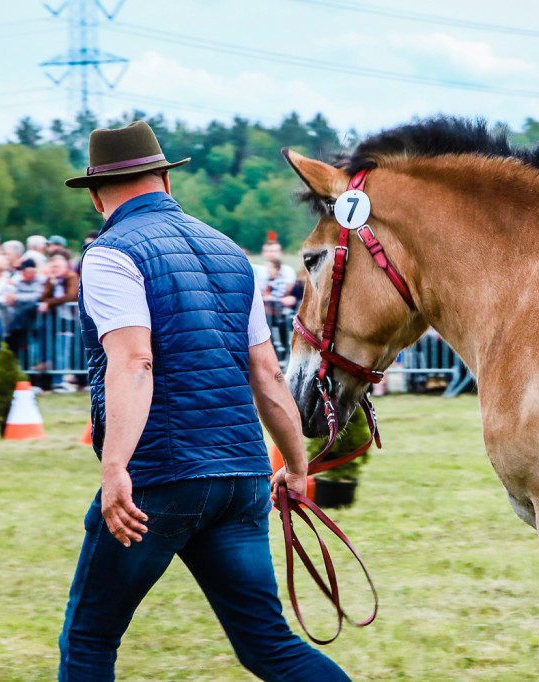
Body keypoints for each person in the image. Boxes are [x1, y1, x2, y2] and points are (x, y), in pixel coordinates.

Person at [58, 121, 348, 681]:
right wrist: (295, 463)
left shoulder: (110, 255)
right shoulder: (229, 253)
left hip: (160, 478)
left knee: (90, 639)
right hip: (240, 475)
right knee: (269, 646)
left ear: (96, 195)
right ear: (166, 178)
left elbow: (134, 361)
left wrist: (115, 466)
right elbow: (266, 372)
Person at [38, 252, 80, 392]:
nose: (54, 269)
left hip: (67, 319)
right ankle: (54, 381)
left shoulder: (71, 277)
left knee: (62, 351)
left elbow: (71, 296)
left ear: (65, 266)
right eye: (52, 266)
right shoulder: (51, 279)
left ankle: (60, 380)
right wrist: (50, 283)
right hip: (52, 320)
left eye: (57, 266)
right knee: (53, 352)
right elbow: (43, 297)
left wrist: (49, 303)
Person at [4, 259, 45, 361]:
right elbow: (10, 296)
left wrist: (17, 298)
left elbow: (36, 297)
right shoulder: (18, 282)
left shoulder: (41, 281)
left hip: (33, 321)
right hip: (18, 320)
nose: (21, 273)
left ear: (32, 271)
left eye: (24, 271)